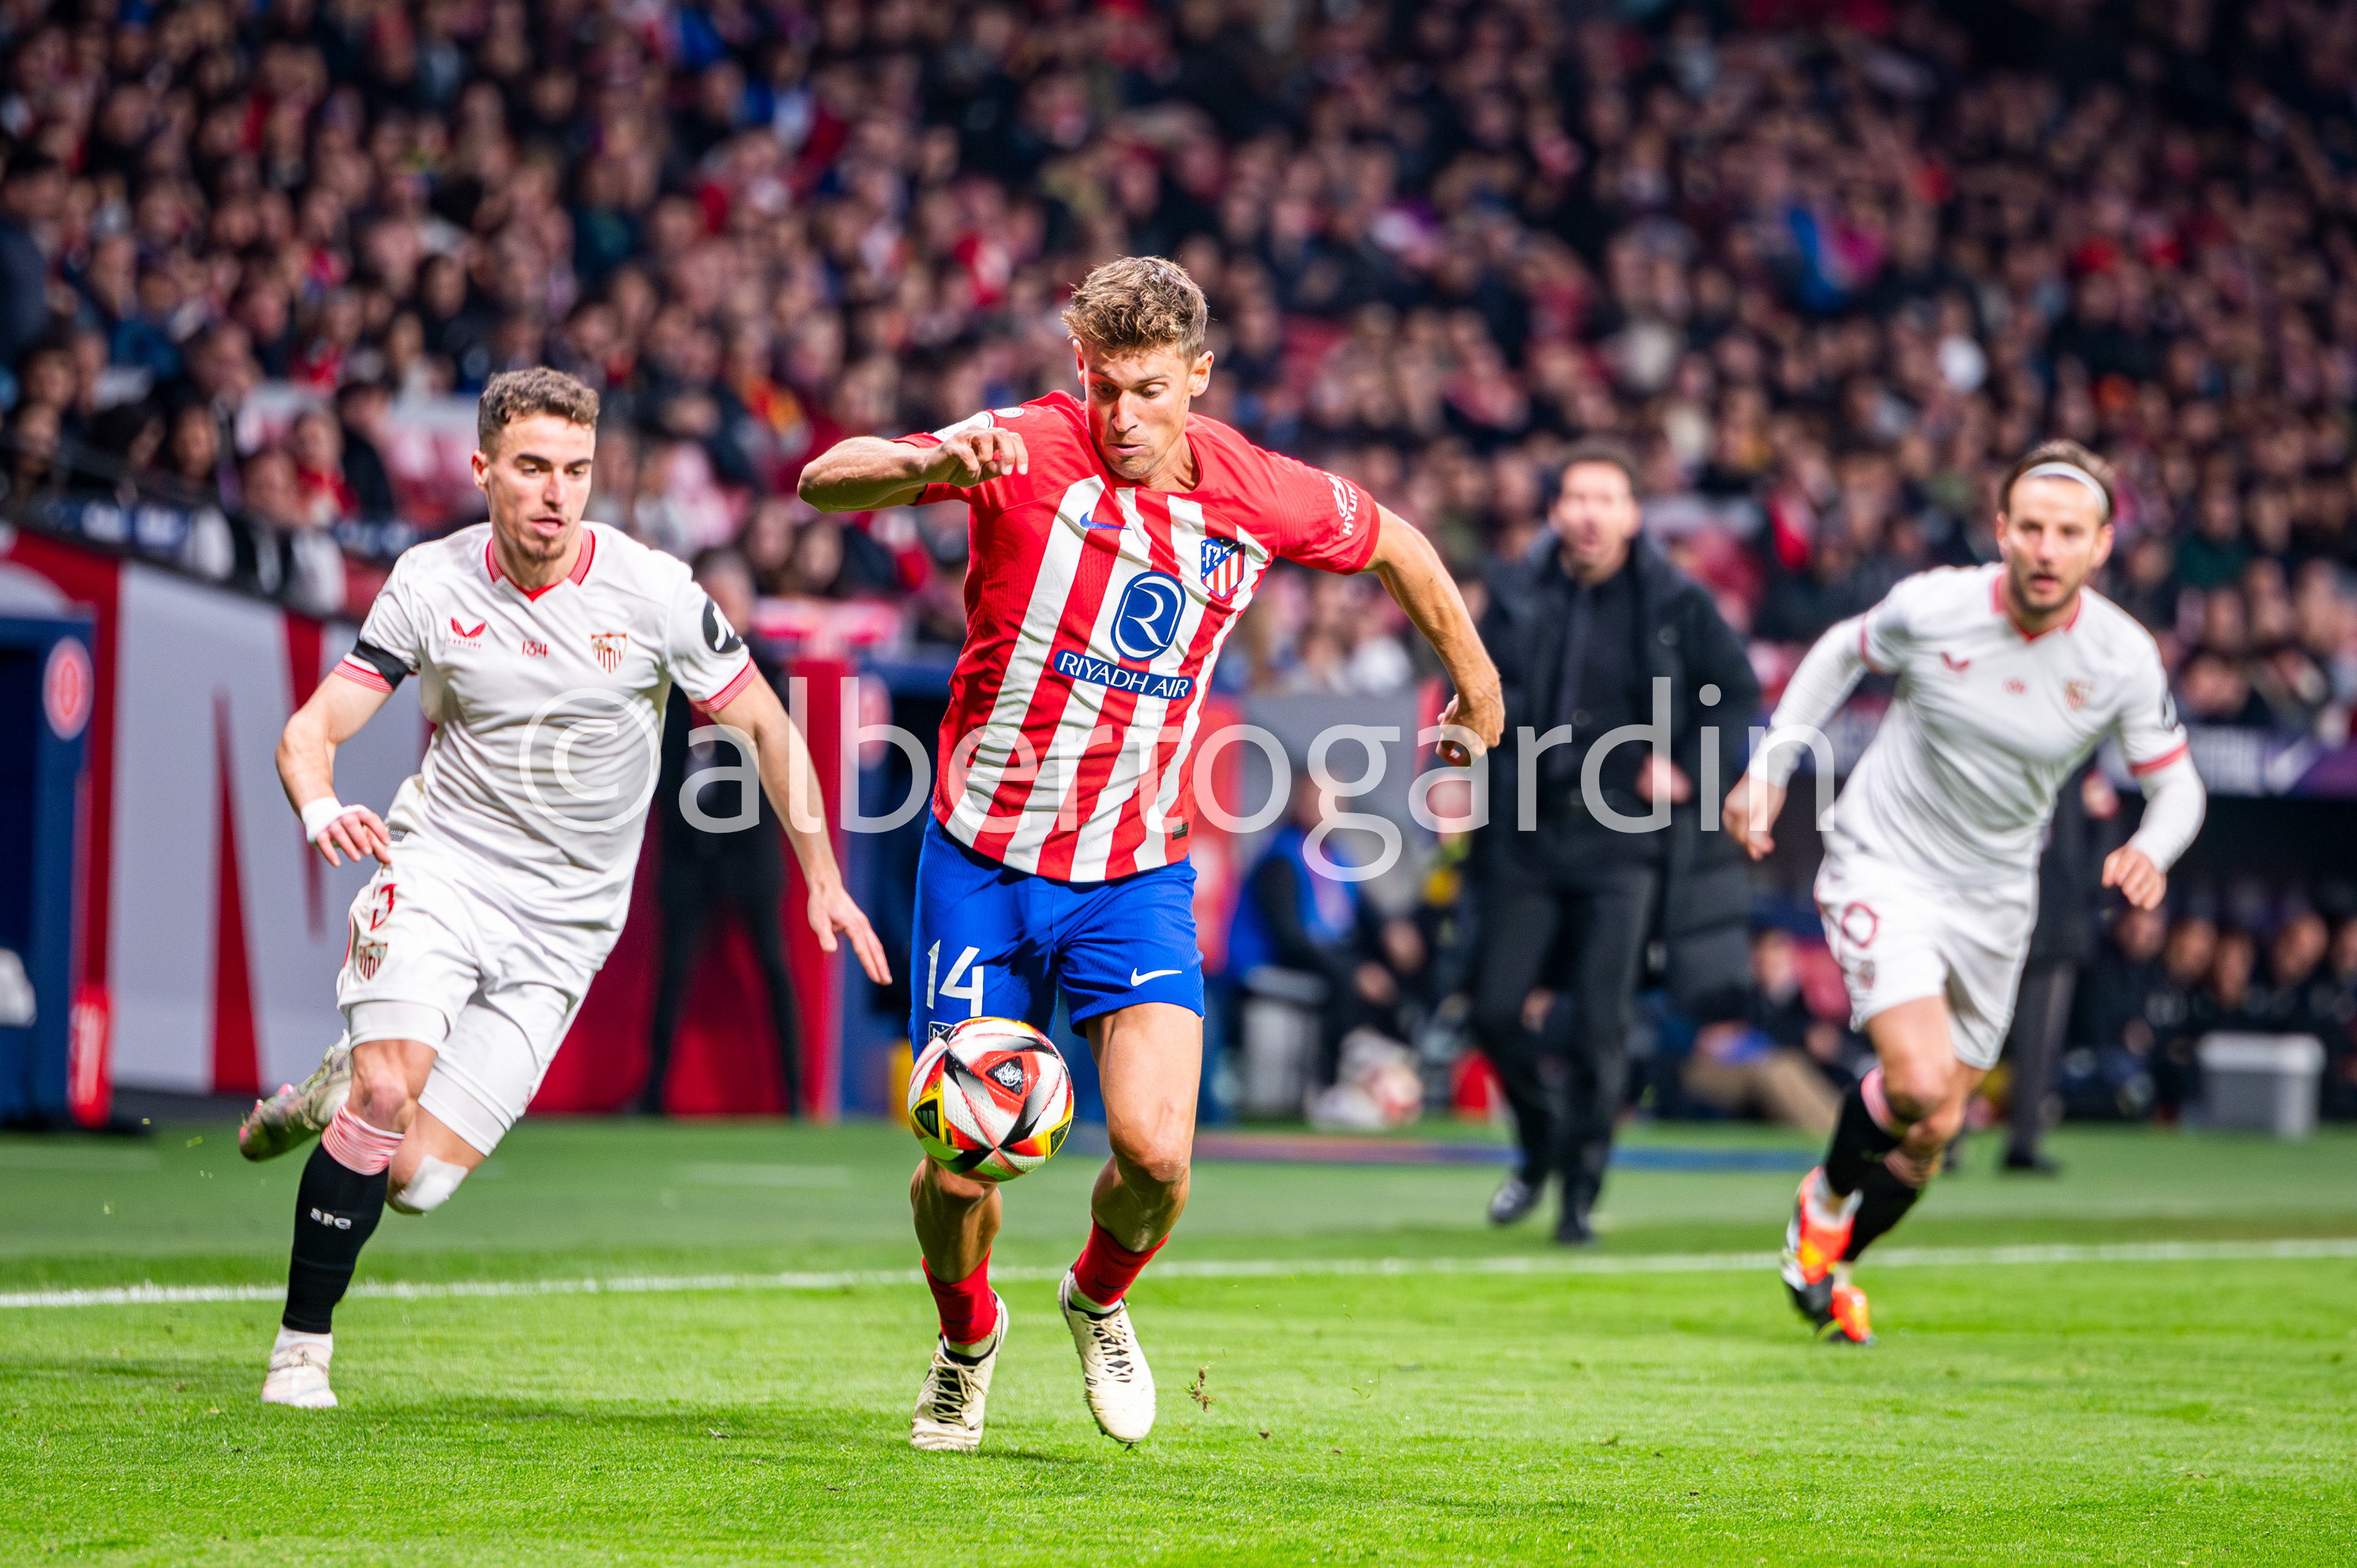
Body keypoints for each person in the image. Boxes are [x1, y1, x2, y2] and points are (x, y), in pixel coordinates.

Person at [798, 255, 1501, 1453]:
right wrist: (927, 464)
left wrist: (1477, 685)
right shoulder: (1025, 446)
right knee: (961, 1167)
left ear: (1200, 377)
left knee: (1159, 1155)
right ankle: (967, 1339)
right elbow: (826, 480)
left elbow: (1401, 547)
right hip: (982, 863)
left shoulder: (1257, 491)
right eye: (1105, 387)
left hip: (1132, 871)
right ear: (1080, 369)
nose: (1123, 417)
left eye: (1151, 391)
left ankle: (1097, 1297)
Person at [234, 368, 888, 1408]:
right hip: (443, 869)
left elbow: (768, 724)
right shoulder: (430, 582)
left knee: (415, 1179)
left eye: (576, 470)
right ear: (481, 467)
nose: (556, 493)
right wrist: (319, 807)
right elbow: (311, 730)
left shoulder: (654, 591)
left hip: (567, 927)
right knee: (389, 1092)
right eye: (533, 467)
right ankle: (300, 1351)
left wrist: (824, 879)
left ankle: (337, 1080)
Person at [1724, 440, 2207, 1345]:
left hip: (1996, 898)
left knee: (1936, 1124)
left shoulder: (2122, 656)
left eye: (2069, 532)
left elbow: (2177, 783)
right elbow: (1838, 651)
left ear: (2102, 544)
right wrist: (1773, 763)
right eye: (2032, 527)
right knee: (1914, 1080)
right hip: (1885, 858)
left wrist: (2152, 845)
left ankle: (1829, 1267)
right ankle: (1823, 1203)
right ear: (2002, 530)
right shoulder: (1935, 605)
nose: (2047, 548)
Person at [1472, 441, 1759, 1244]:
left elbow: (1736, 692)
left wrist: (1693, 768)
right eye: (1576, 498)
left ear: (1634, 515)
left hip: (1626, 837)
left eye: (1606, 499)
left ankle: (1578, 1193)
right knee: (1494, 1008)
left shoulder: (1676, 599)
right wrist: (1463, 757)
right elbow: (1475, 681)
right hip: (1530, 825)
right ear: (1554, 511)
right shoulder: (1517, 591)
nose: (1590, 513)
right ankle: (1541, 1140)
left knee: (1601, 1024)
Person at [638, 547, 805, 1118]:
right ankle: (653, 1091)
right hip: (686, 844)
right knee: (672, 969)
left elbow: (777, 756)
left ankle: (794, 1096)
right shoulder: (670, 675)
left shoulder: (768, 673)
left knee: (773, 966)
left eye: (728, 602)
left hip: (749, 842)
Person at [2000, 762, 2120, 1175]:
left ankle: (2025, 1141)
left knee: (2041, 1042)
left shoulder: (2080, 764)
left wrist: (2083, 890)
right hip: (1996, 909)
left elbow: (2106, 825)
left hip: (2057, 919)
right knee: (1969, 1027)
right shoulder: (2007, 751)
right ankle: (1946, 1139)